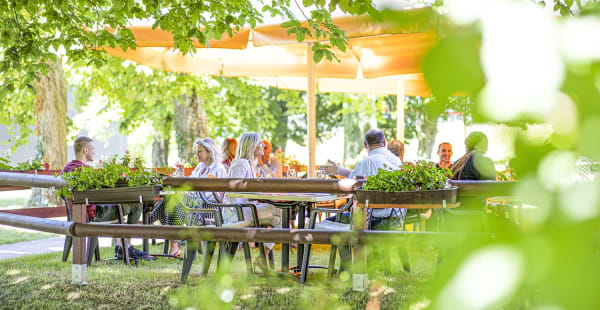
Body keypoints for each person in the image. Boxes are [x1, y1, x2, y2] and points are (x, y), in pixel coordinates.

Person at [60, 136, 152, 260]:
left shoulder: (65, 169)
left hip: (75, 214)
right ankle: (126, 247)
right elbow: (106, 193)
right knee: (136, 205)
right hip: (93, 215)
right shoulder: (87, 171)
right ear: (85, 151)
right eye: (92, 148)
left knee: (119, 208)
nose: (95, 152)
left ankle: (121, 247)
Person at [150, 138, 227, 256]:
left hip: (208, 206)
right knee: (172, 201)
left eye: (199, 151)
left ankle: (156, 224)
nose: (196, 154)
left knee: (171, 200)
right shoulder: (200, 167)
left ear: (209, 151)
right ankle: (175, 244)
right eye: (197, 151)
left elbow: (218, 194)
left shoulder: (218, 168)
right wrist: (181, 173)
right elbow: (187, 185)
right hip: (194, 202)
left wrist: (188, 194)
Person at [326, 129, 404, 229]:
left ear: (365, 145)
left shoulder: (367, 162)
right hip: (395, 219)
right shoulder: (396, 160)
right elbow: (357, 177)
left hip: (373, 221)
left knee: (321, 224)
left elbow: (350, 183)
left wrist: (338, 171)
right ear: (384, 143)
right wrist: (339, 170)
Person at [226, 132, 282, 267]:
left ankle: (263, 256)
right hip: (238, 213)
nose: (263, 145)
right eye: (260, 143)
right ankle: (263, 257)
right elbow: (231, 193)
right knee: (280, 209)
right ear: (252, 146)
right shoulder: (241, 164)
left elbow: (248, 191)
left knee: (280, 220)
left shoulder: (248, 164)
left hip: (245, 210)